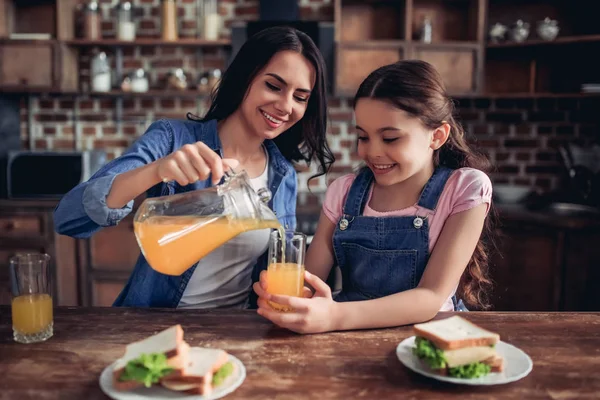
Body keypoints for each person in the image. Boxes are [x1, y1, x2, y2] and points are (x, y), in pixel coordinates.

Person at [54, 26, 334, 308]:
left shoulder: (282, 174)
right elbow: (69, 219)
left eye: (300, 97)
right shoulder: (172, 139)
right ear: (245, 77)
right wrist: (158, 170)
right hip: (162, 328)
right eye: (273, 86)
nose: (286, 106)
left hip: (240, 332)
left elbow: (279, 273)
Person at [253, 60, 495, 333]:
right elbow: (310, 280)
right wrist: (288, 295)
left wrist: (334, 317)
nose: (373, 152)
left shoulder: (464, 188)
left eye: (390, 138)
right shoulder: (343, 192)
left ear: (437, 136)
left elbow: (430, 297)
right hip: (349, 336)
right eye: (363, 137)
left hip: (428, 338)